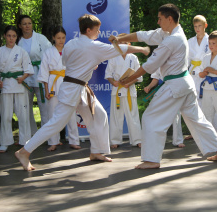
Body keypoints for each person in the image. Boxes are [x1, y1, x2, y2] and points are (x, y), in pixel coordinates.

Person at [15, 14, 150, 171]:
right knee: (55, 124)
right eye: (97, 30)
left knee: (99, 115)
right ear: (88, 30)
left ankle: (96, 151)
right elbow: (121, 49)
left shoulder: (71, 44)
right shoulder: (92, 46)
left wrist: (86, 64)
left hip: (79, 88)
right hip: (72, 89)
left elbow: (67, 62)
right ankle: (24, 152)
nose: (99, 33)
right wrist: (142, 48)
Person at [112, 4, 217, 169]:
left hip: (175, 86)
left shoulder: (172, 40)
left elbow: (150, 66)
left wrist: (128, 79)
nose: (158, 21)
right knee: (197, 120)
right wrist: (121, 39)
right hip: (185, 84)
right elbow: (146, 35)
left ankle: (152, 160)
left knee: (150, 117)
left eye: (160, 18)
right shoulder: (172, 32)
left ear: (169, 19)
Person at [0, 25, 34, 153]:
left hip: (19, 85)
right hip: (5, 85)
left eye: (14, 36)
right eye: (9, 36)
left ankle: (25, 141)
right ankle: (4, 142)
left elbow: (28, 69)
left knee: (23, 115)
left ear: (17, 37)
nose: (11, 38)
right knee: (6, 115)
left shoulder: (21, 51)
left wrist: (23, 78)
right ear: (5, 36)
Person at [38, 26, 81, 151]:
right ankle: (53, 141)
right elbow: (44, 72)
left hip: (68, 83)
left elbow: (75, 68)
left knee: (71, 114)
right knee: (52, 114)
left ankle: (74, 140)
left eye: (63, 38)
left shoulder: (69, 50)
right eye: (58, 38)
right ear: (53, 38)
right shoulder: (48, 52)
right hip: (53, 83)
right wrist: (46, 89)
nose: (61, 40)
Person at [17, 15, 52, 135]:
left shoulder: (40, 38)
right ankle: (31, 134)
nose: (27, 26)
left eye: (29, 23)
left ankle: (46, 135)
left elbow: (50, 53)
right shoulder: (18, 40)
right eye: (25, 24)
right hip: (25, 76)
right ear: (20, 26)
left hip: (39, 72)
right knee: (26, 106)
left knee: (44, 106)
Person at [105, 42, 143, 148]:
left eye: (125, 44)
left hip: (129, 90)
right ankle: (115, 140)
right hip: (117, 89)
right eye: (120, 44)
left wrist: (129, 83)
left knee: (133, 115)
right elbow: (108, 74)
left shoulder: (133, 57)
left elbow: (139, 75)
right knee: (116, 116)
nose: (123, 46)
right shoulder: (113, 57)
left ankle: (137, 140)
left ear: (129, 45)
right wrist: (114, 82)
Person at [185, 15, 217, 140]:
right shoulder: (189, 41)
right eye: (195, 27)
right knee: (193, 103)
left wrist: (207, 71)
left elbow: (215, 56)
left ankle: (211, 132)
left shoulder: (211, 40)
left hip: (206, 74)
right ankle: (195, 132)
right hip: (193, 74)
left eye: (200, 26)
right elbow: (186, 59)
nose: (197, 29)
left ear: (205, 26)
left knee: (208, 104)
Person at [144, 70, 185, 148]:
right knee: (156, 116)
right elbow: (156, 78)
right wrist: (149, 87)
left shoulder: (175, 61)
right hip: (161, 90)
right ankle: (156, 139)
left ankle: (178, 140)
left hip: (174, 89)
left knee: (176, 115)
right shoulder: (159, 61)